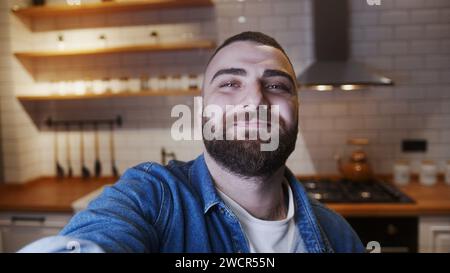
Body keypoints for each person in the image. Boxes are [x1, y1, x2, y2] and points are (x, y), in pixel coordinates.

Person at [20, 31, 364, 253]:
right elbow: (99, 237)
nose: (254, 102)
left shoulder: (339, 236)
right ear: (201, 112)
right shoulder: (150, 197)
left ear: (297, 109)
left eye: (276, 86)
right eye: (229, 84)